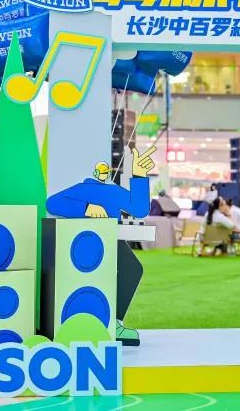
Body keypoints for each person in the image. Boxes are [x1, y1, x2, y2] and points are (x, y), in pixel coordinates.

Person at [46, 146, 157, 347]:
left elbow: (139, 210)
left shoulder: (112, 191)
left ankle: (115, 322)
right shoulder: (81, 189)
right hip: (83, 243)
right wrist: (85, 208)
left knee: (132, 269)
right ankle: (97, 322)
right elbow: (52, 203)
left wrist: (140, 176)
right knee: (95, 279)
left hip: (110, 240)